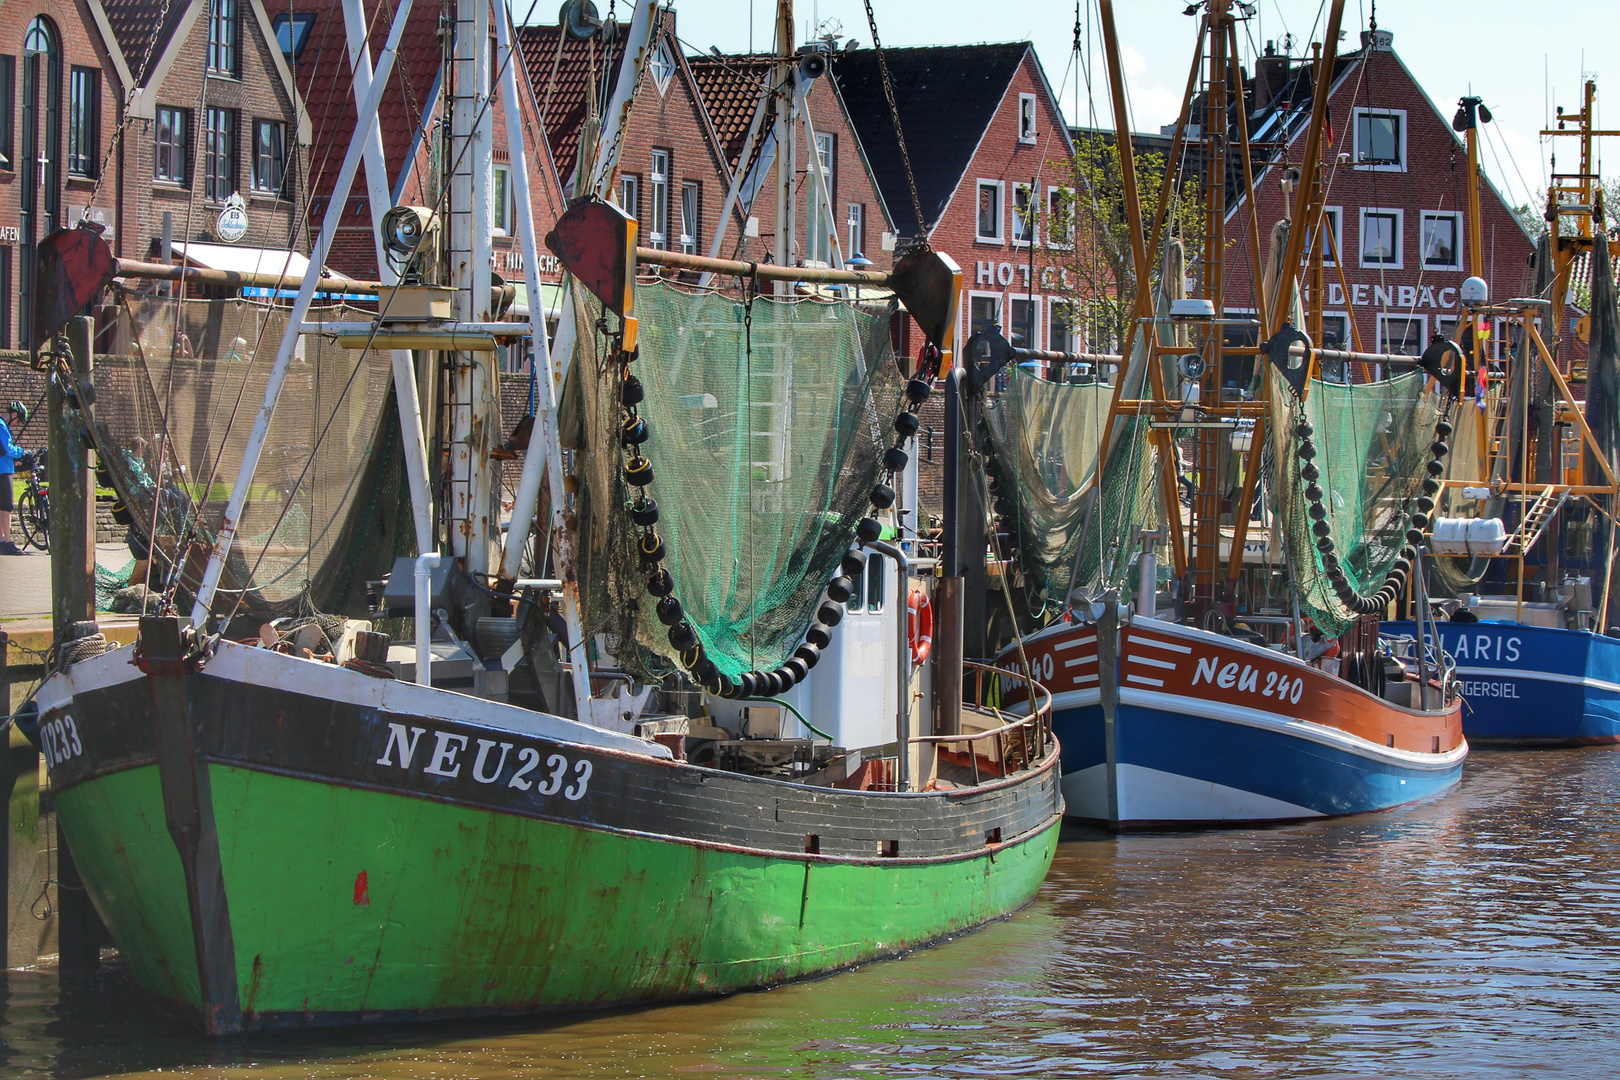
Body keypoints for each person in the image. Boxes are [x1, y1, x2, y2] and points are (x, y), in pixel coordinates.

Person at [0, 401, 32, 555]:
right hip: (2, 471)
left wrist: (13, 459)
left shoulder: (3, 426)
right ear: (13, 414)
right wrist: (22, 452)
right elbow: (7, 448)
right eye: (18, 420)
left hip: (4, 467)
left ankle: (1, 541)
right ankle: (7, 541)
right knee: (7, 506)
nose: (17, 424)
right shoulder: (1, 425)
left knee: (2, 507)